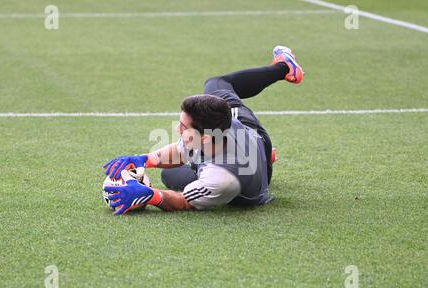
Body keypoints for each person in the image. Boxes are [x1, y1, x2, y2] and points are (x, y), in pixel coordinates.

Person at [103, 45, 304, 214]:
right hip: (253, 134)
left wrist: (151, 196)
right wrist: (144, 159)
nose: (178, 129)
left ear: (206, 138)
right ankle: (284, 69)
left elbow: (182, 201)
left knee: (169, 178)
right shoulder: (220, 123)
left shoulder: (221, 179)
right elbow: (180, 150)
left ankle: (283, 68)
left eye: (183, 127)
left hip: (247, 175)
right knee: (215, 84)